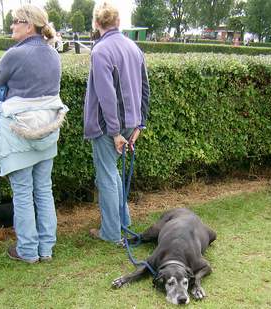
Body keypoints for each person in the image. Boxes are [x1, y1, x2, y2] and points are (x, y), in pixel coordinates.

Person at [0, 4, 68, 263]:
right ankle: (46, 249)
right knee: (44, 190)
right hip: (46, 132)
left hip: (18, 132)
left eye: (16, 21)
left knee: (22, 193)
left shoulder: (14, 55)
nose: (12, 26)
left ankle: (28, 250)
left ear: (29, 25)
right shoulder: (54, 54)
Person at [84, 1, 150, 244]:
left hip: (107, 126)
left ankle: (110, 232)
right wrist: (139, 125)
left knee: (107, 176)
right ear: (118, 22)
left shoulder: (101, 51)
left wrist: (113, 132)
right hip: (129, 123)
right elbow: (145, 89)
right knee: (113, 174)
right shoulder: (134, 48)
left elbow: (106, 96)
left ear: (96, 23)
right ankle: (122, 221)